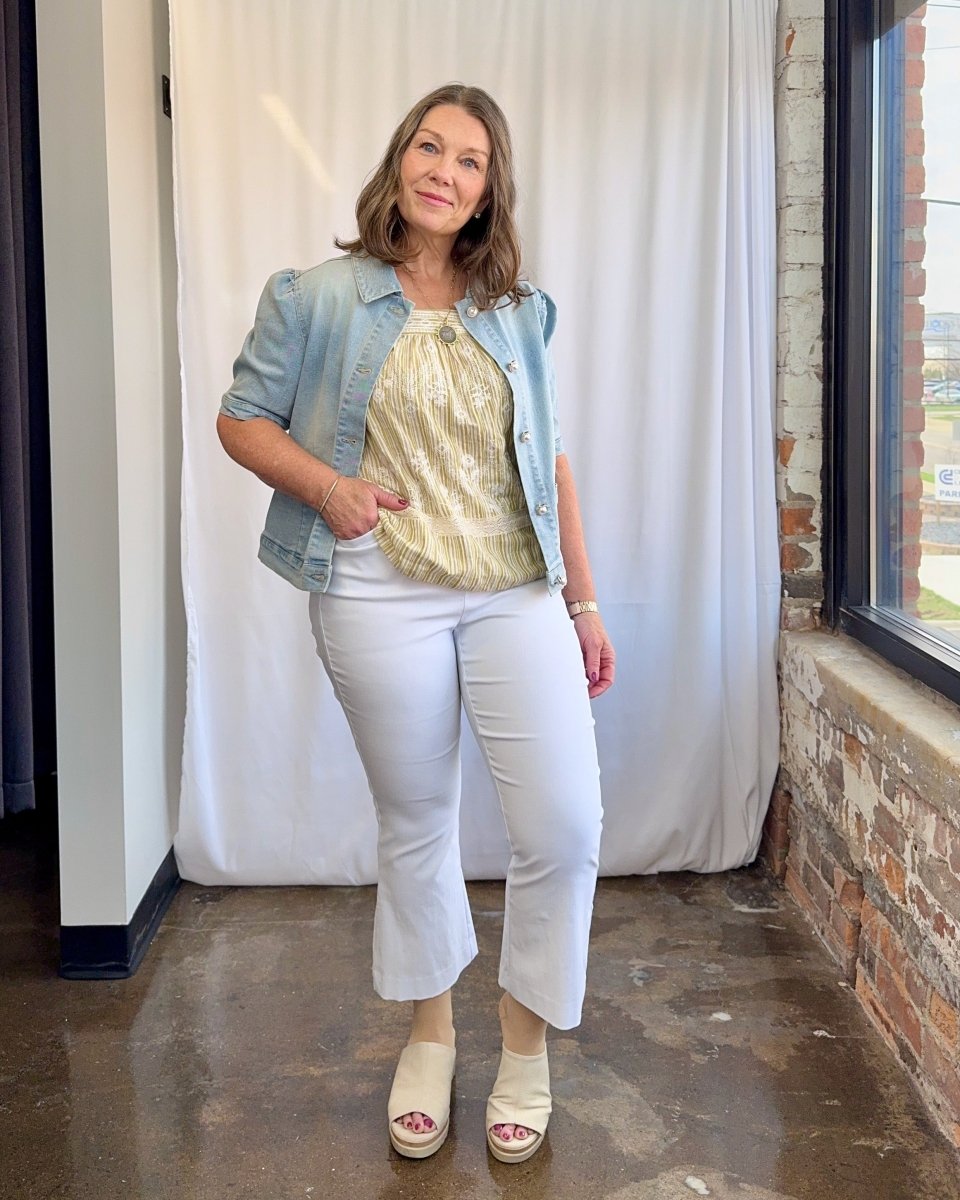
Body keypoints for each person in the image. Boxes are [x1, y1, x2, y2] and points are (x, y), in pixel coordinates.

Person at [217, 82, 615, 1164]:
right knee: (418, 819)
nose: (445, 170)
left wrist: (582, 599)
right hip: (377, 589)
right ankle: (431, 1038)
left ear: (491, 190)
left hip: (512, 590)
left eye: (470, 160)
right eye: (429, 148)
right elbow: (240, 419)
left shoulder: (519, 311)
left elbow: (552, 462)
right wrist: (329, 491)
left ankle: (524, 1048)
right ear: (401, 164)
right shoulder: (319, 296)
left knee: (564, 826)